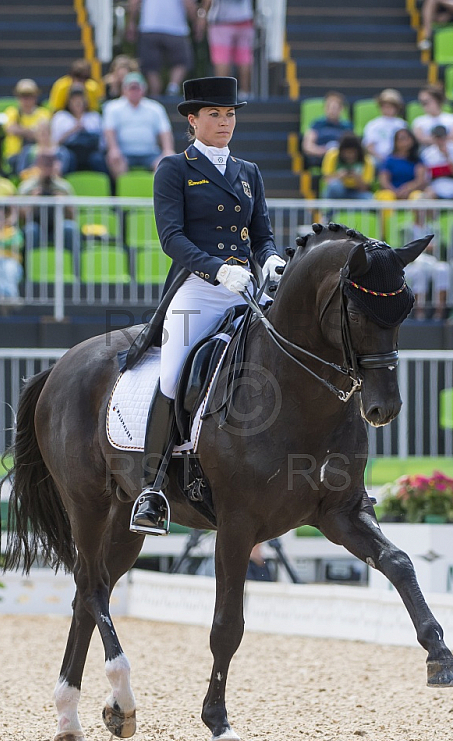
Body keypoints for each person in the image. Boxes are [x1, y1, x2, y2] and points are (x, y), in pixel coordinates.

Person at [130, 76, 285, 534]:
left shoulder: (248, 172)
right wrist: (217, 269)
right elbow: (171, 238)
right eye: (215, 115)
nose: (225, 122)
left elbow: (262, 235)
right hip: (198, 289)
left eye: (230, 114)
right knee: (174, 374)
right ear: (193, 120)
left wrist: (271, 259)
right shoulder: (174, 169)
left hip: (246, 292)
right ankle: (152, 488)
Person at [102, 71, 175, 179]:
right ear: (124, 89)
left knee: (167, 161)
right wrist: (113, 149)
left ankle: (157, 194)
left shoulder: (155, 108)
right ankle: (122, 192)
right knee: (114, 159)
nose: (134, 91)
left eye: (137, 88)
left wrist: (168, 150)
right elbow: (109, 131)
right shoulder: (113, 107)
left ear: (143, 89)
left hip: (150, 152)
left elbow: (165, 132)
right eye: (131, 88)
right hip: (124, 153)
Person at [126, 0, 197, 97]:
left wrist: (131, 22)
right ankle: (173, 87)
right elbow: (189, 3)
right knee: (181, 62)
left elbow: (134, 2)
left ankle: (155, 93)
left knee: (151, 66)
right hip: (176, 28)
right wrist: (196, 22)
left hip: (149, 26)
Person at [18, 150, 79, 256]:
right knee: (31, 230)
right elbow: (20, 218)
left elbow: (73, 216)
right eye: (44, 165)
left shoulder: (64, 187)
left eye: (50, 165)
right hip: (36, 227)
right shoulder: (27, 187)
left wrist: (64, 203)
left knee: (70, 228)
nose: (47, 169)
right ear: (37, 166)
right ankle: (28, 270)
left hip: (57, 228)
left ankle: (76, 269)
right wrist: (33, 201)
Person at [202, 0, 255, 100]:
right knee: (244, 58)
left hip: (221, 21)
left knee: (221, 59)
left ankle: (222, 93)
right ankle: (245, 92)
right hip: (245, 19)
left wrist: (203, 13)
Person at [51, 84, 107, 174]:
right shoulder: (61, 117)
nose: (78, 102)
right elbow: (55, 142)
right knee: (67, 158)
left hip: (90, 151)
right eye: (74, 99)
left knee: (98, 159)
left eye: (80, 99)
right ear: (69, 101)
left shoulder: (94, 117)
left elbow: (102, 141)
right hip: (70, 151)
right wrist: (73, 130)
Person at [3, 79, 50, 176]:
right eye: (23, 96)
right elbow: (10, 129)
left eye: (29, 96)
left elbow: (44, 134)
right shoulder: (12, 112)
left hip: (37, 155)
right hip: (14, 156)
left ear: (35, 97)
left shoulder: (44, 113)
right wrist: (32, 131)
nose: (26, 100)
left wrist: (20, 130)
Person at [301, 91, 353, 168]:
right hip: (321, 157)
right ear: (325, 108)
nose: (332, 111)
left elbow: (353, 147)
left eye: (335, 108)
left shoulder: (347, 126)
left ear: (341, 109)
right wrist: (321, 151)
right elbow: (307, 146)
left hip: (341, 158)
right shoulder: (317, 124)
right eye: (329, 107)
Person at [422, 124, 453, 199]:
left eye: (442, 138)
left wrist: (448, 158)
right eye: (437, 138)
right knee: (425, 196)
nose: (440, 141)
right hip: (437, 187)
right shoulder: (426, 154)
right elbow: (426, 180)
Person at [376, 128, 427, 199]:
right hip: (391, 191)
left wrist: (408, 188)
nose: (404, 142)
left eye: (407, 139)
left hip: (412, 191)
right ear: (395, 142)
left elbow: (420, 180)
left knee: (417, 196)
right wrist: (394, 191)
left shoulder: (417, 160)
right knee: (386, 197)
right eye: (401, 139)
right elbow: (384, 180)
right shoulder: (389, 160)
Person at [321, 133, 374, 200]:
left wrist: (357, 178)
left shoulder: (366, 160)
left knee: (369, 198)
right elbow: (326, 180)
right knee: (335, 186)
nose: (349, 155)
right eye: (347, 152)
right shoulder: (332, 155)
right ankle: (330, 210)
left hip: (356, 192)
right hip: (338, 190)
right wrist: (339, 176)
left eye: (352, 152)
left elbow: (365, 189)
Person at [362, 88, 406, 163]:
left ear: (397, 108)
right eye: (384, 106)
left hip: (397, 159)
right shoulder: (373, 124)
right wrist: (382, 158)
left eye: (390, 106)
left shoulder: (402, 125)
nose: (387, 109)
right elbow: (369, 147)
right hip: (378, 159)